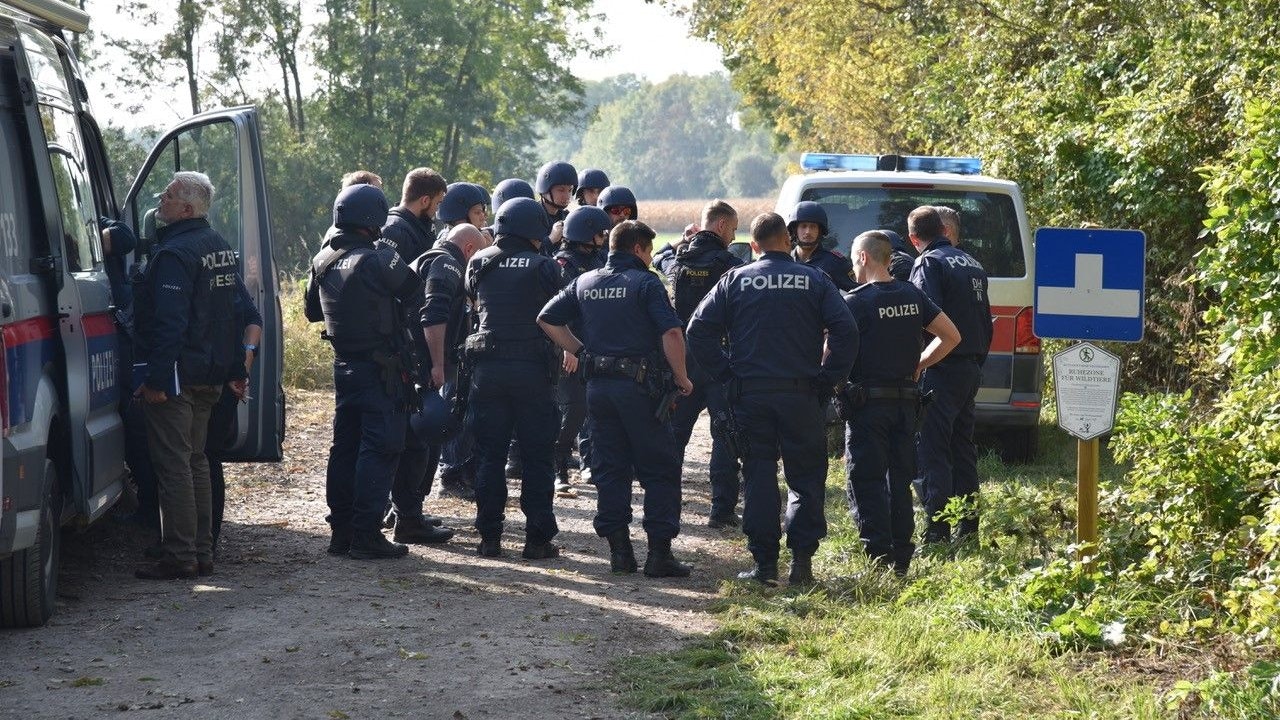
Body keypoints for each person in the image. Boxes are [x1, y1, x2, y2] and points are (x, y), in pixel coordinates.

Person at [687, 213, 858, 586]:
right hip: (802, 394)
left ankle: (764, 565)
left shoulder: (735, 280)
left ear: (754, 245)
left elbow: (698, 330)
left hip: (751, 395)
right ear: (787, 240)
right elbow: (846, 329)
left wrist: (726, 374)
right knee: (806, 478)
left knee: (759, 475)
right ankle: (801, 565)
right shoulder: (815, 279)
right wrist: (830, 380)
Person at [538, 220, 695, 577]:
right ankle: (659, 555)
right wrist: (683, 377)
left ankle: (620, 552)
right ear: (638, 249)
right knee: (659, 467)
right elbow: (671, 331)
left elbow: (546, 318)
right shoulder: (645, 283)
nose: (651, 257)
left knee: (611, 468)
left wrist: (582, 352)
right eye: (650, 250)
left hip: (599, 390)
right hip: (640, 391)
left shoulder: (585, 280)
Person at [131, 171, 244, 580]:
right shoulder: (219, 247)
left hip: (176, 378)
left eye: (170, 194)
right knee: (197, 460)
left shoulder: (174, 254)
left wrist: (157, 380)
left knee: (174, 464)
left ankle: (179, 556)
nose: (161, 199)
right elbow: (228, 316)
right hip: (209, 375)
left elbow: (170, 323)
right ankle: (202, 552)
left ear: (188, 208)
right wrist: (233, 368)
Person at [306, 184, 423, 560]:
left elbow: (312, 312)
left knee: (345, 448)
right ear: (373, 219)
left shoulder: (322, 260)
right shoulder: (376, 258)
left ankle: (340, 531)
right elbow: (413, 287)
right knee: (381, 446)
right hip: (382, 370)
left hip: (344, 367)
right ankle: (366, 534)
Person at [841, 231, 959, 576]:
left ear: (863, 257)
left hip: (867, 407)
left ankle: (878, 558)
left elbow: (833, 354)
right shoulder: (913, 295)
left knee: (867, 479)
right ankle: (902, 558)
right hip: (907, 405)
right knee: (900, 479)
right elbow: (952, 336)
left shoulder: (855, 302)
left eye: (853, 259)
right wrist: (920, 363)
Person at [464, 197, 566, 559]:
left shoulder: (478, 261)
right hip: (533, 372)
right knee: (538, 456)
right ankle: (537, 540)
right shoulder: (545, 266)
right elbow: (558, 313)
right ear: (534, 230)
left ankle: (489, 537)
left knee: (489, 455)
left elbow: (475, 305)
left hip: (487, 371)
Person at [655, 200, 744, 528]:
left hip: (684, 359)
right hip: (720, 358)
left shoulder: (678, 260)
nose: (733, 236)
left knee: (675, 435)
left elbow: (657, 255)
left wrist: (682, 240)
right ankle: (721, 512)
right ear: (721, 226)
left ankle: (666, 505)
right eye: (733, 230)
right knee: (724, 434)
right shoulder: (731, 265)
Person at [908, 205, 992, 545]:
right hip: (969, 367)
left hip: (941, 367)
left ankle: (938, 530)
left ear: (915, 238)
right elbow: (986, 322)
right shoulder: (973, 263)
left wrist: (918, 363)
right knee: (962, 447)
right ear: (944, 231)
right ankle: (969, 528)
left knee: (933, 449)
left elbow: (924, 318)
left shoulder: (928, 263)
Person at [551, 206, 613, 495]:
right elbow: (557, 312)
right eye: (601, 233)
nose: (605, 237)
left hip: (597, 345)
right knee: (573, 411)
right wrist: (567, 349)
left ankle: (596, 466)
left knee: (597, 410)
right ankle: (558, 468)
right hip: (570, 348)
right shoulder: (564, 264)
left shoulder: (601, 259)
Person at [379, 168, 448, 265]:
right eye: (437, 203)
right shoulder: (393, 230)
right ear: (425, 201)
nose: (437, 209)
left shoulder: (421, 226)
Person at [788, 201, 855, 291]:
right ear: (795, 230)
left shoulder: (834, 263)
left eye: (813, 227)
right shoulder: (785, 261)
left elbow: (859, 293)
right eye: (803, 226)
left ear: (820, 230)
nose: (808, 231)